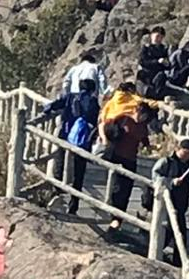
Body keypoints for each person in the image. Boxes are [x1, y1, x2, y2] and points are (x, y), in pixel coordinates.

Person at [99, 84, 159, 231]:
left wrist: (149, 146)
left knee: (126, 189)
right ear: (137, 110)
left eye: (146, 118)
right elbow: (104, 126)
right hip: (116, 154)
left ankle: (118, 219)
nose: (142, 119)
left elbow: (144, 138)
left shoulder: (142, 125)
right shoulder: (123, 118)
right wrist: (105, 141)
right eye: (142, 116)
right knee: (116, 187)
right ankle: (112, 215)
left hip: (130, 158)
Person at [44, 80, 100, 216]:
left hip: (66, 136)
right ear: (93, 90)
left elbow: (54, 105)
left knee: (60, 163)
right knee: (78, 173)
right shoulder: (94, 103)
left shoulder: (70, 96)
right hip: (82, 142)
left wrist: (47, 109)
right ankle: (74, 205)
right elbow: (96, 121)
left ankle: (56, 192)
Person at [151, 138, 189, 266]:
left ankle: (177, 263)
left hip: (181, 206)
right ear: (178, 149)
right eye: (186, 152)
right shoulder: (166, 162)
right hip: (168, 203)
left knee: (181, 236)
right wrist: (171, 182)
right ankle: (156, 255)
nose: (188, 156)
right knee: (170, 233)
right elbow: (155, 177)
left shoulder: (187, 166)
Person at [137, 26, 170, 100]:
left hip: (157, 76)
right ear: (152, 35)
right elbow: (143, 62)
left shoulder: (163, 49)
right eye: (157, 36)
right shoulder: (146, 48)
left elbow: (167, 66)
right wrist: (157, 61)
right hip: (146, 75)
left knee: (162, 75)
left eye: (161, 37)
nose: (158, 39)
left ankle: (158, 95)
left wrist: (166, 64)